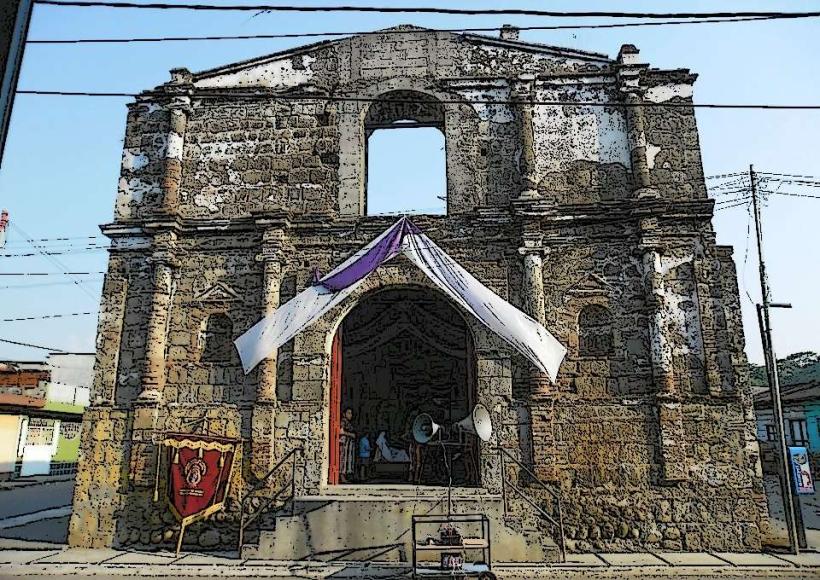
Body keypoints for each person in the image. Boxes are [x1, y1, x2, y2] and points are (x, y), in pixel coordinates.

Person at [339, 408, 356, 483]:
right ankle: (342, 477)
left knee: (347, 460)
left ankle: (345, 476)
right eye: (348, 413)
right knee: (343, 459)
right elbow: (341, 431)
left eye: (351, 413)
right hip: (345, 444)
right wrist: (351, 434)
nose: (350, 415)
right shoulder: (343, 422)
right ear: (344, 414)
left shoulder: (348, 423)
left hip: (349, 444)